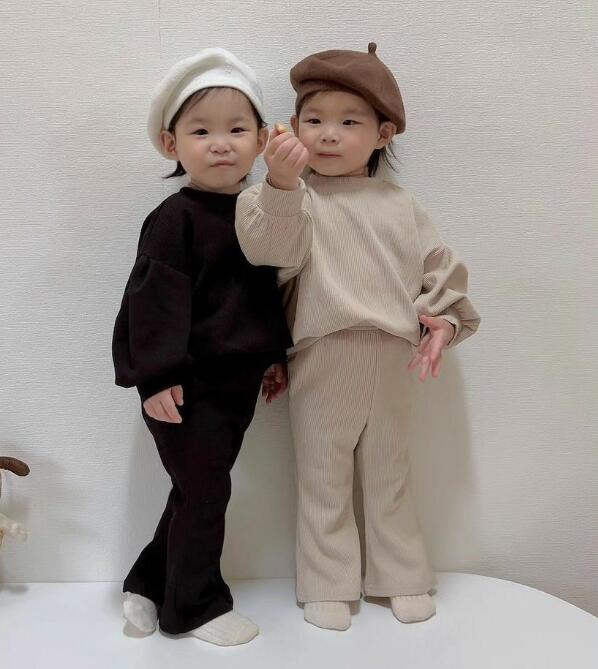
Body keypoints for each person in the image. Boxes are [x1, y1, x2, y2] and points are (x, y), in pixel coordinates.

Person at [235, 42, 481, 631]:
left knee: (390, 470)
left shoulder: (400, 204)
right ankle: (328, 582)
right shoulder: (290, 199)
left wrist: (444, 321)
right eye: (314, 120)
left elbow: (440, 269)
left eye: (350, 122)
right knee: (322, 474)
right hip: (323, 351)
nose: (329, 134)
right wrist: (281, 183)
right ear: (292, 127)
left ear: (383, 133)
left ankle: (402, 575)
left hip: (394, 354)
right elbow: (267, 252)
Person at [112, 48, 292, 646]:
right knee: (208, 491)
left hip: (235, 386)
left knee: (194, 489)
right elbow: (150, 304)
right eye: (201, 131)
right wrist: (155, 376)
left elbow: (261, 293)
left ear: (262, 140)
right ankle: (193, 607)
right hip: (184, 388)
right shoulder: (175, 219)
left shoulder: (256, 215)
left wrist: (272, 356)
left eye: (237, 130)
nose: (220, 144)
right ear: (171, 144)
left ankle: (146, 584)